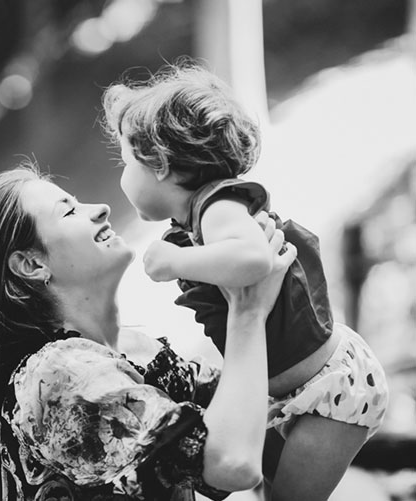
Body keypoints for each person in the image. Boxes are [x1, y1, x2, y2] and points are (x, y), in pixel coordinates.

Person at [0, 164, 296, 500]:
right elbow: (231, 464)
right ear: (31, 264)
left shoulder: (133, 351)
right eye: (69, 211)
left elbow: (262, 411)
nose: (102, 209)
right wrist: (247, 312)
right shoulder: (60, 376)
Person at [102, 62, 389, 500]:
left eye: (125, 162)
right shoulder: (202, 220)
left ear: (158, 164)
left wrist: (177, 261)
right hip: (296, 391)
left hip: (333, 389)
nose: (121, 177)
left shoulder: (218, 208)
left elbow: (255, 259)